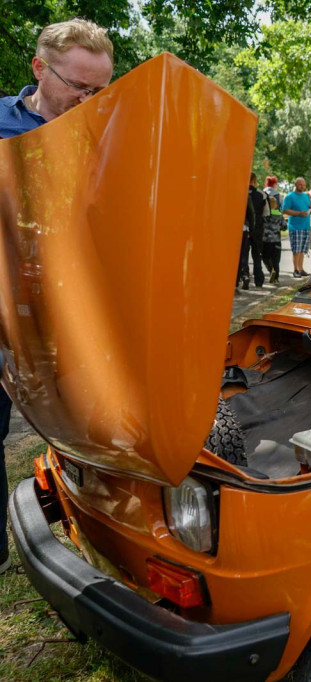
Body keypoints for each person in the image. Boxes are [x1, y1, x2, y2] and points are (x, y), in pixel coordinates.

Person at [0, 18, 114, 575]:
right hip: (4, 305)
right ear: (41, 69)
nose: (90, 100)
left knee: (81, 414)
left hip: (72, 309)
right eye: (80, 87)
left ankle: (97, 525)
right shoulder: (0, 122)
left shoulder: (105, 134)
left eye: (101, 90)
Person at [282, 177, 311, 277]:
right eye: (300, 185)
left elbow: (309, 207)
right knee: (296, 249)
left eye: (304, 185)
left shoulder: (305, 196)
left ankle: (301, 268)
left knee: (303, 249)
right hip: (295, 226)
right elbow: (285, 210)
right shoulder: (290, 196)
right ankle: (295, 270)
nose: (302, 187)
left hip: (306, 225)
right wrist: (298, 213)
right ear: (295, 184)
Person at [262, 178, 284, 284]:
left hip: (265, 239)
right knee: (276, 259)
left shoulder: (264, 215)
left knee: (265, 257)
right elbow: (284, 226)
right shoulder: (278, 214)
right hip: (276, 238)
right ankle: (276, 278)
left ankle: (271, 270)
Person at [246, 172, 266, 287]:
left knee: (243, 254)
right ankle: (259, 279)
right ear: (254, 180)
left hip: (244, 228)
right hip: (258, 228)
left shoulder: (240, 193)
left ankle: (245, 276)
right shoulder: (261, 195)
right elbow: (266, 213)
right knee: (257, 255)